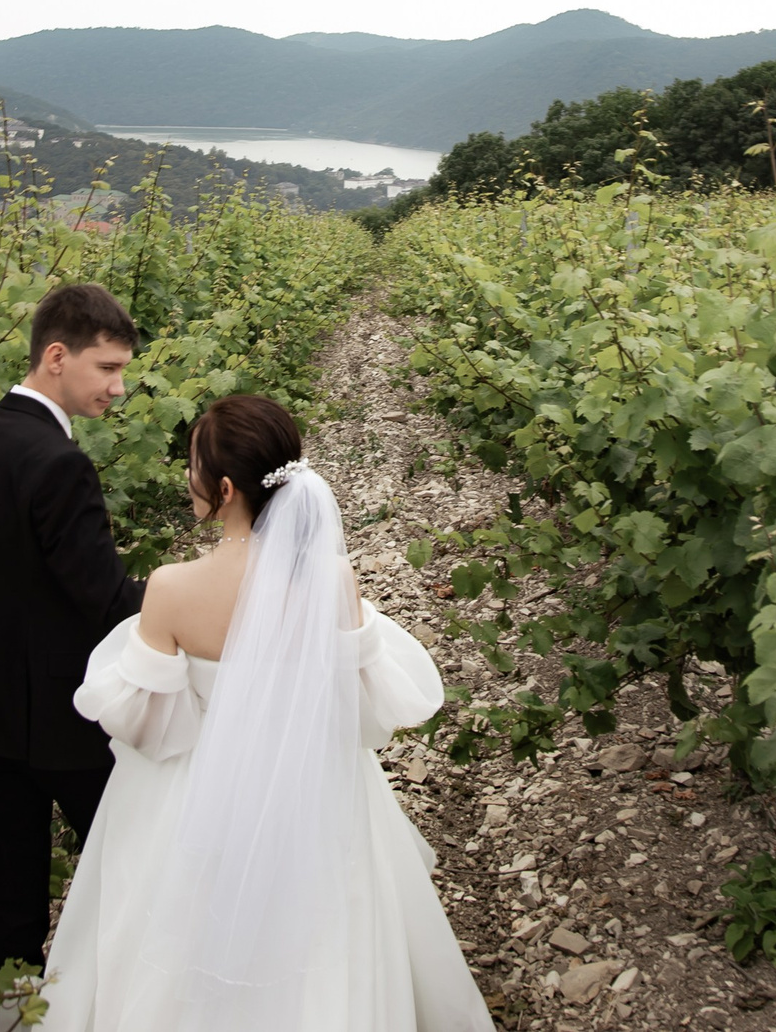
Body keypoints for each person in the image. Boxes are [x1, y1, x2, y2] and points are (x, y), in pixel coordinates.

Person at [41, 394, 494, 1032]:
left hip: (193, 789)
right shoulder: (332, 580)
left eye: (193, 465)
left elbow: (147, 725)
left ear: (224, 489)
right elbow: (365, 708)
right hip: (312, 782)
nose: (187, 478)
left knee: (171, 937)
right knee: (327, 934)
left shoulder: (171, 588)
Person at [0, 283, 146, 979]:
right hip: (59, 716)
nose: (119, 387)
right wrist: (187, 595)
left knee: (7, 885)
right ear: (56, 357)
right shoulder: (61, 464)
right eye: (108, 368)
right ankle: (127, 999)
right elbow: (106, 601)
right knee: (133, 861)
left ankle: (11, 1011)